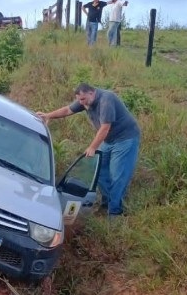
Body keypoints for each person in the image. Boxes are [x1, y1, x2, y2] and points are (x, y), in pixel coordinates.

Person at [36, 83, 141, 217]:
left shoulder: (106, 100)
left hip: (125, 139)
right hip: (109, 140)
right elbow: (68, 110)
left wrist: (92, 147)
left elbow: (105, 128)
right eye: (79, 100)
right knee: (100, 170)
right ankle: (106, 203)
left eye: (83, 99)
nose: (81, 103)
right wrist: (48, 115)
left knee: (117, 175)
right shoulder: (85, 101)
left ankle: (115, 213)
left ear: (92, 93)